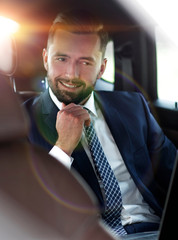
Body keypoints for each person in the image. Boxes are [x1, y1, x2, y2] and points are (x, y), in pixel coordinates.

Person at [24, 9, 177, 236]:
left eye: (85, 62)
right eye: (62, 58)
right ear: (46, 59)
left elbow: (171, 168)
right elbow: (26, 211)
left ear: (102, 68)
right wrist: (63, 147)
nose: (71, 73)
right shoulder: (18, 123)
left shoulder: (134, 107)